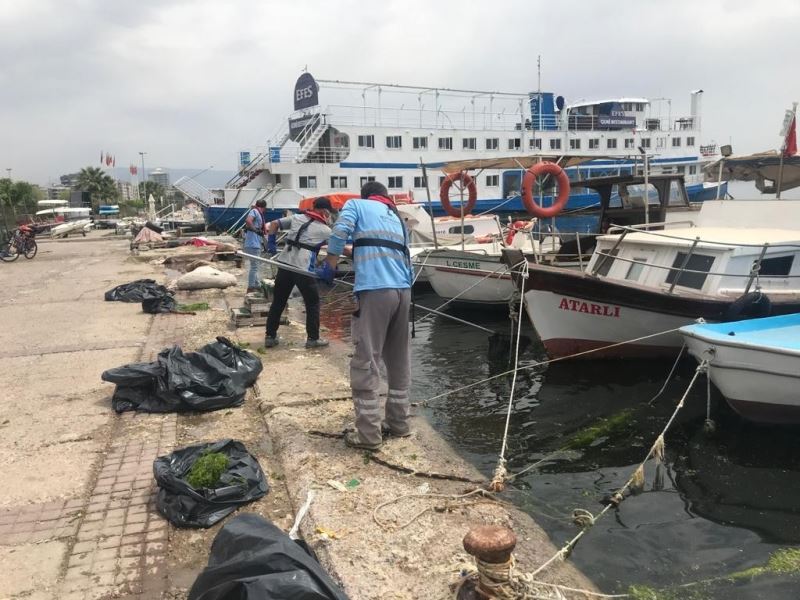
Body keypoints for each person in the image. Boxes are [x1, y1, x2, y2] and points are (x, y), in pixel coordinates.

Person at [321, 181, 413, 450]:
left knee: (366, 359)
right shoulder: (395, 215)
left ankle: (369, 436)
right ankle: (399, 424)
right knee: (398, 360)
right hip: (404, 292)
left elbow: (339, 231)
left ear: (365, 196)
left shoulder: (356, 205)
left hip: (375, 291)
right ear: (384, 196)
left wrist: (330, 263)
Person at [263, 196, 334, 349]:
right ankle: (313, 339)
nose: (329, 216)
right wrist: (327, 265)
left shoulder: (296, 217)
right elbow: (337, 249)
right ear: (324, 211)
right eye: (329, 212)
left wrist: (271, 242)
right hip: (303, 269)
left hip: (285, 264)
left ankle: (270, 336)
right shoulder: (326, 230)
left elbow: (274, 224)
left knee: (279, 301)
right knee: (312, 303)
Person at [242, 199, 267, 293]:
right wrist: (256, 230)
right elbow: (248, 221)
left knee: (255, 265)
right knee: (254, 267)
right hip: (253, 243)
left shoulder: (256, 212)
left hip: (254, 243)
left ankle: (257, 285)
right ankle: (251, 287)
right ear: (264, 207)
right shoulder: (254, 211)